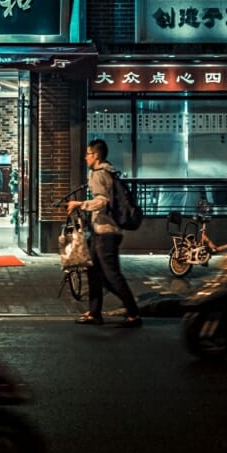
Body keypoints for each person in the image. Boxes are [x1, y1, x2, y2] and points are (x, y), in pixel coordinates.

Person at [66, 139, 142, 328]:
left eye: (88, 154)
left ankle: (133, 313)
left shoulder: (98, 173)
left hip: (106, 231)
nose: (85, 158)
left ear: (96, 155)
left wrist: (80, 205)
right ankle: (94, 313)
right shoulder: (110, 171)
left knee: (112, 275)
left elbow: (102, 201)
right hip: (102, 231)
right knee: (93, 272)